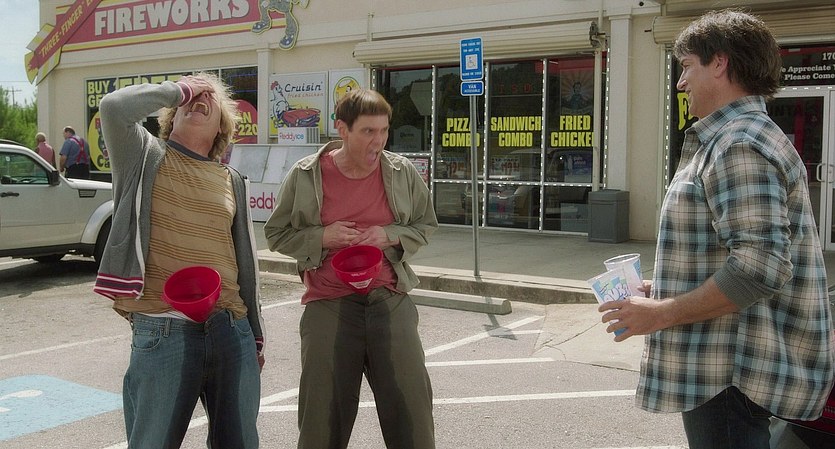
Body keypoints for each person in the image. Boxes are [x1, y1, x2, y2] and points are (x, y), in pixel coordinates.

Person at [598, 9, 834, 449]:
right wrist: (666, 288)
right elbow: (736, 254)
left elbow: (760, 267)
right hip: (728, 369)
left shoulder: (738, 143)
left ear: (720, 63)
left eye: (687, 66)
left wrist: (662, 312)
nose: (680, 82)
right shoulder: (738, 137)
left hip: (730, 372)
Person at [93, 72, 266, 448]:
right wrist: (180, 89)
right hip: (163, 328)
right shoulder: (143, 155)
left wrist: (254, 334)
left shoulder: (231, 179)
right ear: (171, 116)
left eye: (210, 98)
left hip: (230, 328)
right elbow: (113, 107)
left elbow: (244, 264)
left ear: (222, 127)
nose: (199, 99)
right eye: (190, 98)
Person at [264, 88, 438, 449]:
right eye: (368, 131)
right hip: (328, 302)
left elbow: (425, 224)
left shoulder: (401, 171)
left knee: (413, 414)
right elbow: (276, 234)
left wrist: (389, 235)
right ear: (342, 129)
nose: (378, 141)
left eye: (384, 130)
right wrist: (322, 236)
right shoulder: (306, 174)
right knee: (321, 420)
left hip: (388, 297)